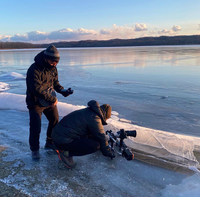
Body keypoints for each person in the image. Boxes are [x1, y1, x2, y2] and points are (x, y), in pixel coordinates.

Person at [26, 45, 73, 160]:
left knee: (55, 121)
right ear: (46, 58)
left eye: (57, 62)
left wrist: (63, 91)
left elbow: (55, 83)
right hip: (35, 102)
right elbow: (36, 90)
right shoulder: (34, 69)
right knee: (35, 127)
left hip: (49, 102)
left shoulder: (53, 68)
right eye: (53, 62)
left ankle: (50, 142)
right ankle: (35, 150)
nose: (55, 64)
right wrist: (53, 99)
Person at [52, 100, 115, 168]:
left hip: (57, 136)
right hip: (62, 141)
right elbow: (101, 136)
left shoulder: (88, 111)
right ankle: (66, 154)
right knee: (95, 145)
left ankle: (62, 148)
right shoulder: (95, 118)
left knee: (91, 136)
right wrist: (108, 152)